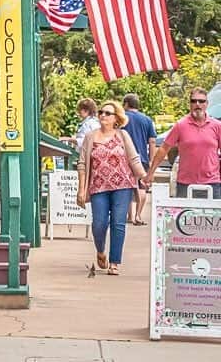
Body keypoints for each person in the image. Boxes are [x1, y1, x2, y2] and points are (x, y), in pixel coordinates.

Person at [76, 100, 145, 276]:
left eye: (107, 113)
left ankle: (114, 262)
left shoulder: (123, 135)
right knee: (99, 223)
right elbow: (83, 164)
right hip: (98, 186)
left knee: (118, 223)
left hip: (123, 185)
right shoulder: (91, 137)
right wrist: (81, 189)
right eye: (101, 112)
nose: (103, 116)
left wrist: (144, 177)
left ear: (116, 118)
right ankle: (100, 250)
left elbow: (134, 158)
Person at [144, 87, 221, 199]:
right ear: (189, 104)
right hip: (185, 184)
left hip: (212, 184)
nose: (197, 104)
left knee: (212, 217)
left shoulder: (216, 126)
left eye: (201, 101)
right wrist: (150, 173)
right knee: (185, 216)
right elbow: (164, 149)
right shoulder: (181, 125)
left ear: (207, 104)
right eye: (193, 101)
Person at [121, 93, 156, 225]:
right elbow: (152, 141)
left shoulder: (123, 118)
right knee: (142, 187)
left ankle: (129, 216)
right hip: (142, 158)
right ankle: (138, 215)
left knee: (128, 188)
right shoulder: (147, 120)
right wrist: (151, 159)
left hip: (125, 157)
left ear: (126, 104)